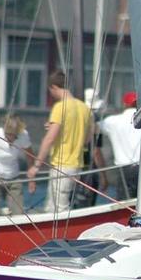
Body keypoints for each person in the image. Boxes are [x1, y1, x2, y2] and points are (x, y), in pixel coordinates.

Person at [27, 70, 93, 214]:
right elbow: (88, 138)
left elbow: (49, 138)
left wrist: (36, 165)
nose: (51, 94)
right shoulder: (84, 108)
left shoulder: (59, 107)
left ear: (54, 87)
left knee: (60, 209)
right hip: (76, 165)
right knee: (51, 207)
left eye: (50, 91)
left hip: (62, 164)